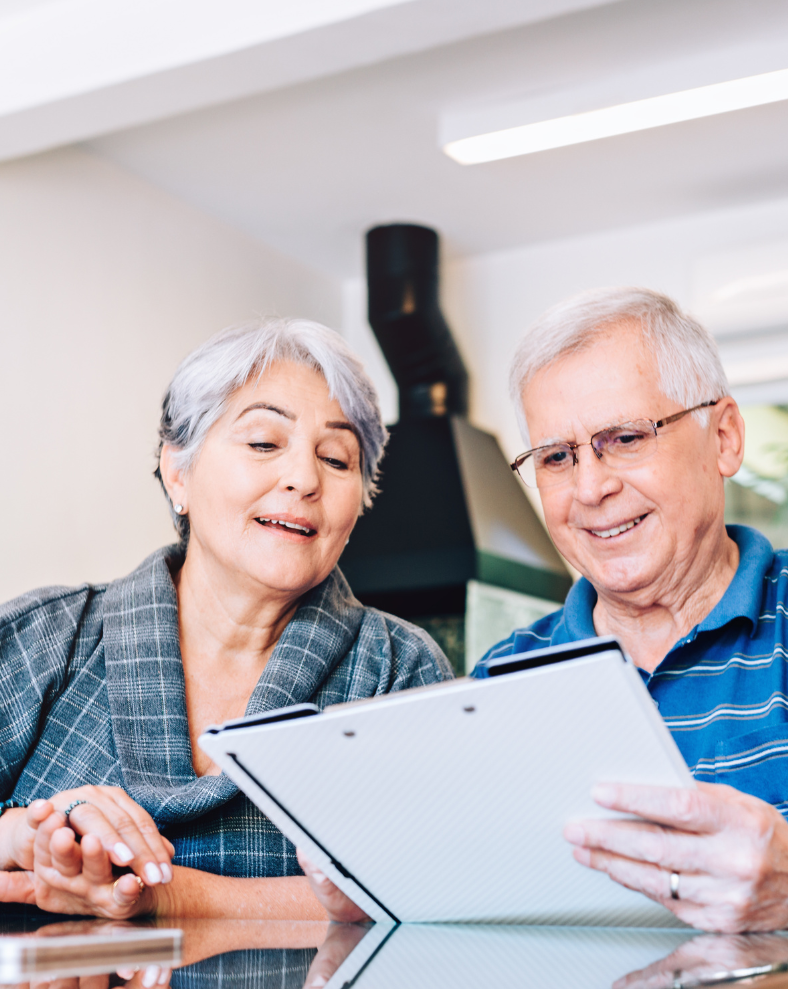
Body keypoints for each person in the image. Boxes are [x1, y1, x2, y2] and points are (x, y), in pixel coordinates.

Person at [0, 319, 451, 921]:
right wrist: (18, 837)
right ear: (178, 471)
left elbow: (438, 894)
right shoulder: (42, 638)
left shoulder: (399, 672)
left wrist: (177, 899)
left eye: (337, 459)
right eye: (264, 444)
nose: (304, 479)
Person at [475, 285, 788, 933]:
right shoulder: (500, 679)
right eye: (557, 457)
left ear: (723, 437)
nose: (591, 487)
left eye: (624, 437)